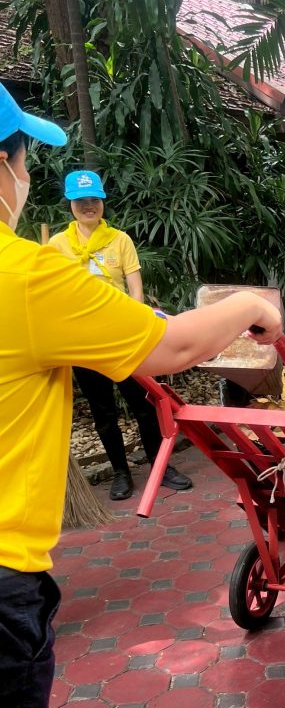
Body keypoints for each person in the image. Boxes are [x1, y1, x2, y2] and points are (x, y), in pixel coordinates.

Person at [0, 83, 283, 708]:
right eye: (24, 157)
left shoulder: (59, 268)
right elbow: (178, 345)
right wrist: (253, 306)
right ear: (3, 168)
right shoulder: (26, 272)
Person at [49, 172, 192, 500]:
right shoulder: (57, 245)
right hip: (83, 342)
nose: (88, 206)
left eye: (94, 200)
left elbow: (135, 290)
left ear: (102, 202)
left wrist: (136, 327)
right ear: (70, 204)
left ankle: (159, 465)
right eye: (81, 201)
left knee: (143, 404)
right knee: (103, 411)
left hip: (123, 337)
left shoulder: (120, 240)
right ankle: (120, 472)